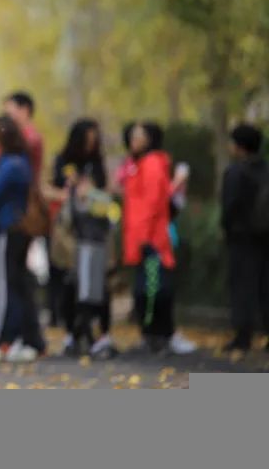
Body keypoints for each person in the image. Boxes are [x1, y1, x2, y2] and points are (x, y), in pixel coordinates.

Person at [121, 122, 194, 354]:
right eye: (132, 135)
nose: (134, 139)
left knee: (153, 290)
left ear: (150, 139)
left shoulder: (151, 164)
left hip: (150, 241)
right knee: (149, 289)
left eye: (139, 136)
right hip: (143, 238)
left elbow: (153, 205)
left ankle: (162, 335)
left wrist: (143, 239)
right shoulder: (137, 165)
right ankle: (154, 335)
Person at [51, 119, 116, 358]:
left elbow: (107, 195)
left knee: (100, 287)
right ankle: (73, 333)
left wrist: (92, 194)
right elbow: (50, 189)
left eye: (94, 139)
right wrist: (70, 192)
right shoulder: (62, 161)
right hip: (71, 234)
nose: (91, 143)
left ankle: (100, 334)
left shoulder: (97, 163)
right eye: (88, 139)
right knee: (71, 284)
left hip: (96, 232)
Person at [0, 114, 45, 361]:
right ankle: (30, 338)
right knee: (20, 284)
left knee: (5, 285)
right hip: (22, 230)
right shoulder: (23, 161)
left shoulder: (10, 164)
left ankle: (2, 339)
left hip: (9, 229)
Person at [221, 124, 269, 353]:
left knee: (242, 286)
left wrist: (227, 231)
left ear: (239, 147)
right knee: (266, 285)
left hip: (242, 238)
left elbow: (230, 207)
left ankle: (242, 336)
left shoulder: (236, 172)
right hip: (268, 237)